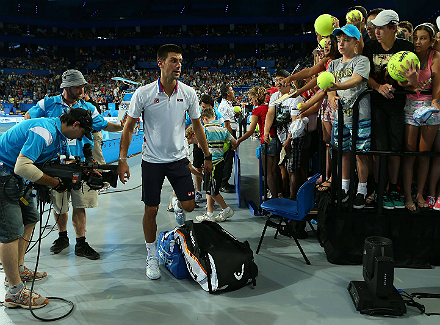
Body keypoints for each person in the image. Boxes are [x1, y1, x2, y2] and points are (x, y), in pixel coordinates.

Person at [117, 44, 212, 280]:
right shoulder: (144, 94)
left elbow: (198, 126)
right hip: (152, 161)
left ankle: (179, 204)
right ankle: (151, 256)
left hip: (179, 159)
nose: (178, 65)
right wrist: (122, 159)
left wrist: (207, 155)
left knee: (189, 206)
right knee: (151, 210)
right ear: (160, 63)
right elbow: (129, 127)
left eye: (180, 61)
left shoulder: (189, 93)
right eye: (173, 60)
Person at [25, 69, 125, 260]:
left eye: (83, 86)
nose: (81, 90)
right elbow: (29, 117)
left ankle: (81, 243)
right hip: (55, 164)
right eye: (78, 86)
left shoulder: (87, 107)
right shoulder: (48, 103)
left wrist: (123, 126)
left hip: (81, 164)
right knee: (59, 205)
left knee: (80, 205)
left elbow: (103, 125)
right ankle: (62, 237)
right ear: (66, 87)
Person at [0, 108, 93, 309]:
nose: (82, 137)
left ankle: (17, 267)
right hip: (4, 174)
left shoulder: (58, 134)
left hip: (14, 177)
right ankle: (14, 291)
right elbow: (22, 167)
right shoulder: (45, 131)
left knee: (31, 217)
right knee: (10, 231)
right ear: (75, 125)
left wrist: (83, 170)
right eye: (83, 133)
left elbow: (53, 162)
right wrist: (54, 183)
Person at [362, 9, 414, 209]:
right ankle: (378, 187)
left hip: (398, 106)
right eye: (375, 28)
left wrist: (406, 83)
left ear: (394, 28)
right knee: (378, 150)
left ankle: (393, 188)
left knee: (395, 150)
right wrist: (378, 87)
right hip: (376, 106)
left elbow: (412, 76)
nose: (376, 32)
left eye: (381, 28)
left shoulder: (406, 47)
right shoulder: (370, 47)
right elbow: (364, 75)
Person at [326, 24, 371, 209]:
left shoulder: (362, 60)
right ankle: (344, 188)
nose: (341, 44)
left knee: (361, 154)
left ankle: (362, 190)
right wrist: (330, 96)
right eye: (339, 40)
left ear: (356, 42)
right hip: (340, 116)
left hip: (360, 116)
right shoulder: (333, 64)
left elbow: (356, 80)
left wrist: (336, 87)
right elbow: (327, 86)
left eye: (346, 40)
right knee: (343, 153)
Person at [400, 23, 440, 211]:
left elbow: (438, 84)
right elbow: (400, 83)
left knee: (424, 156)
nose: (417, 41)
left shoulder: (436, 56)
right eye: (415, 37)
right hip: (409, 106)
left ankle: (420, 194)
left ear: (431, 41)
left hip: (430, 110)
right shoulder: (408, 56)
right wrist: (412, 85)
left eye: (423, 38)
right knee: (410, 156)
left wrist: (434, 101)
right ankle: (408, 196)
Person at [235, 86, 278, 198]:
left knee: (268, 173)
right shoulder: (270, 107)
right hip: (276, 140)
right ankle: (276, 195)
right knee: (274, 172)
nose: (251, 100)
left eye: (252, 97)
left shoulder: (257, 110)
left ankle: (273, 199)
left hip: (267, 141)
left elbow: (251, 131)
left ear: (256, 97)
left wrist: (239, 140)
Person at [194, 107, 237, 222]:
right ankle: (210, 213)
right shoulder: (223, 129)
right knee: (210, 188)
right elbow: (234, 142)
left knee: (212, 191)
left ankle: (227, 210)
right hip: (220, 162)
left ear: (205, 118)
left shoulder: (205, 129)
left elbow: (199, 145)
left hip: (211, 163)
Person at [217, 83, 237, 193]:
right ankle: (223, 184)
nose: (234, 92)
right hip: (228, 134)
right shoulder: (224, 105)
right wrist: (231, 140)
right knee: (227, 160)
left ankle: (225, 182)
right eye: (232, 90)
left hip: (231, 132)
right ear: (227, 93)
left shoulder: (229, 104)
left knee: (230, 159)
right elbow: (226, 125)